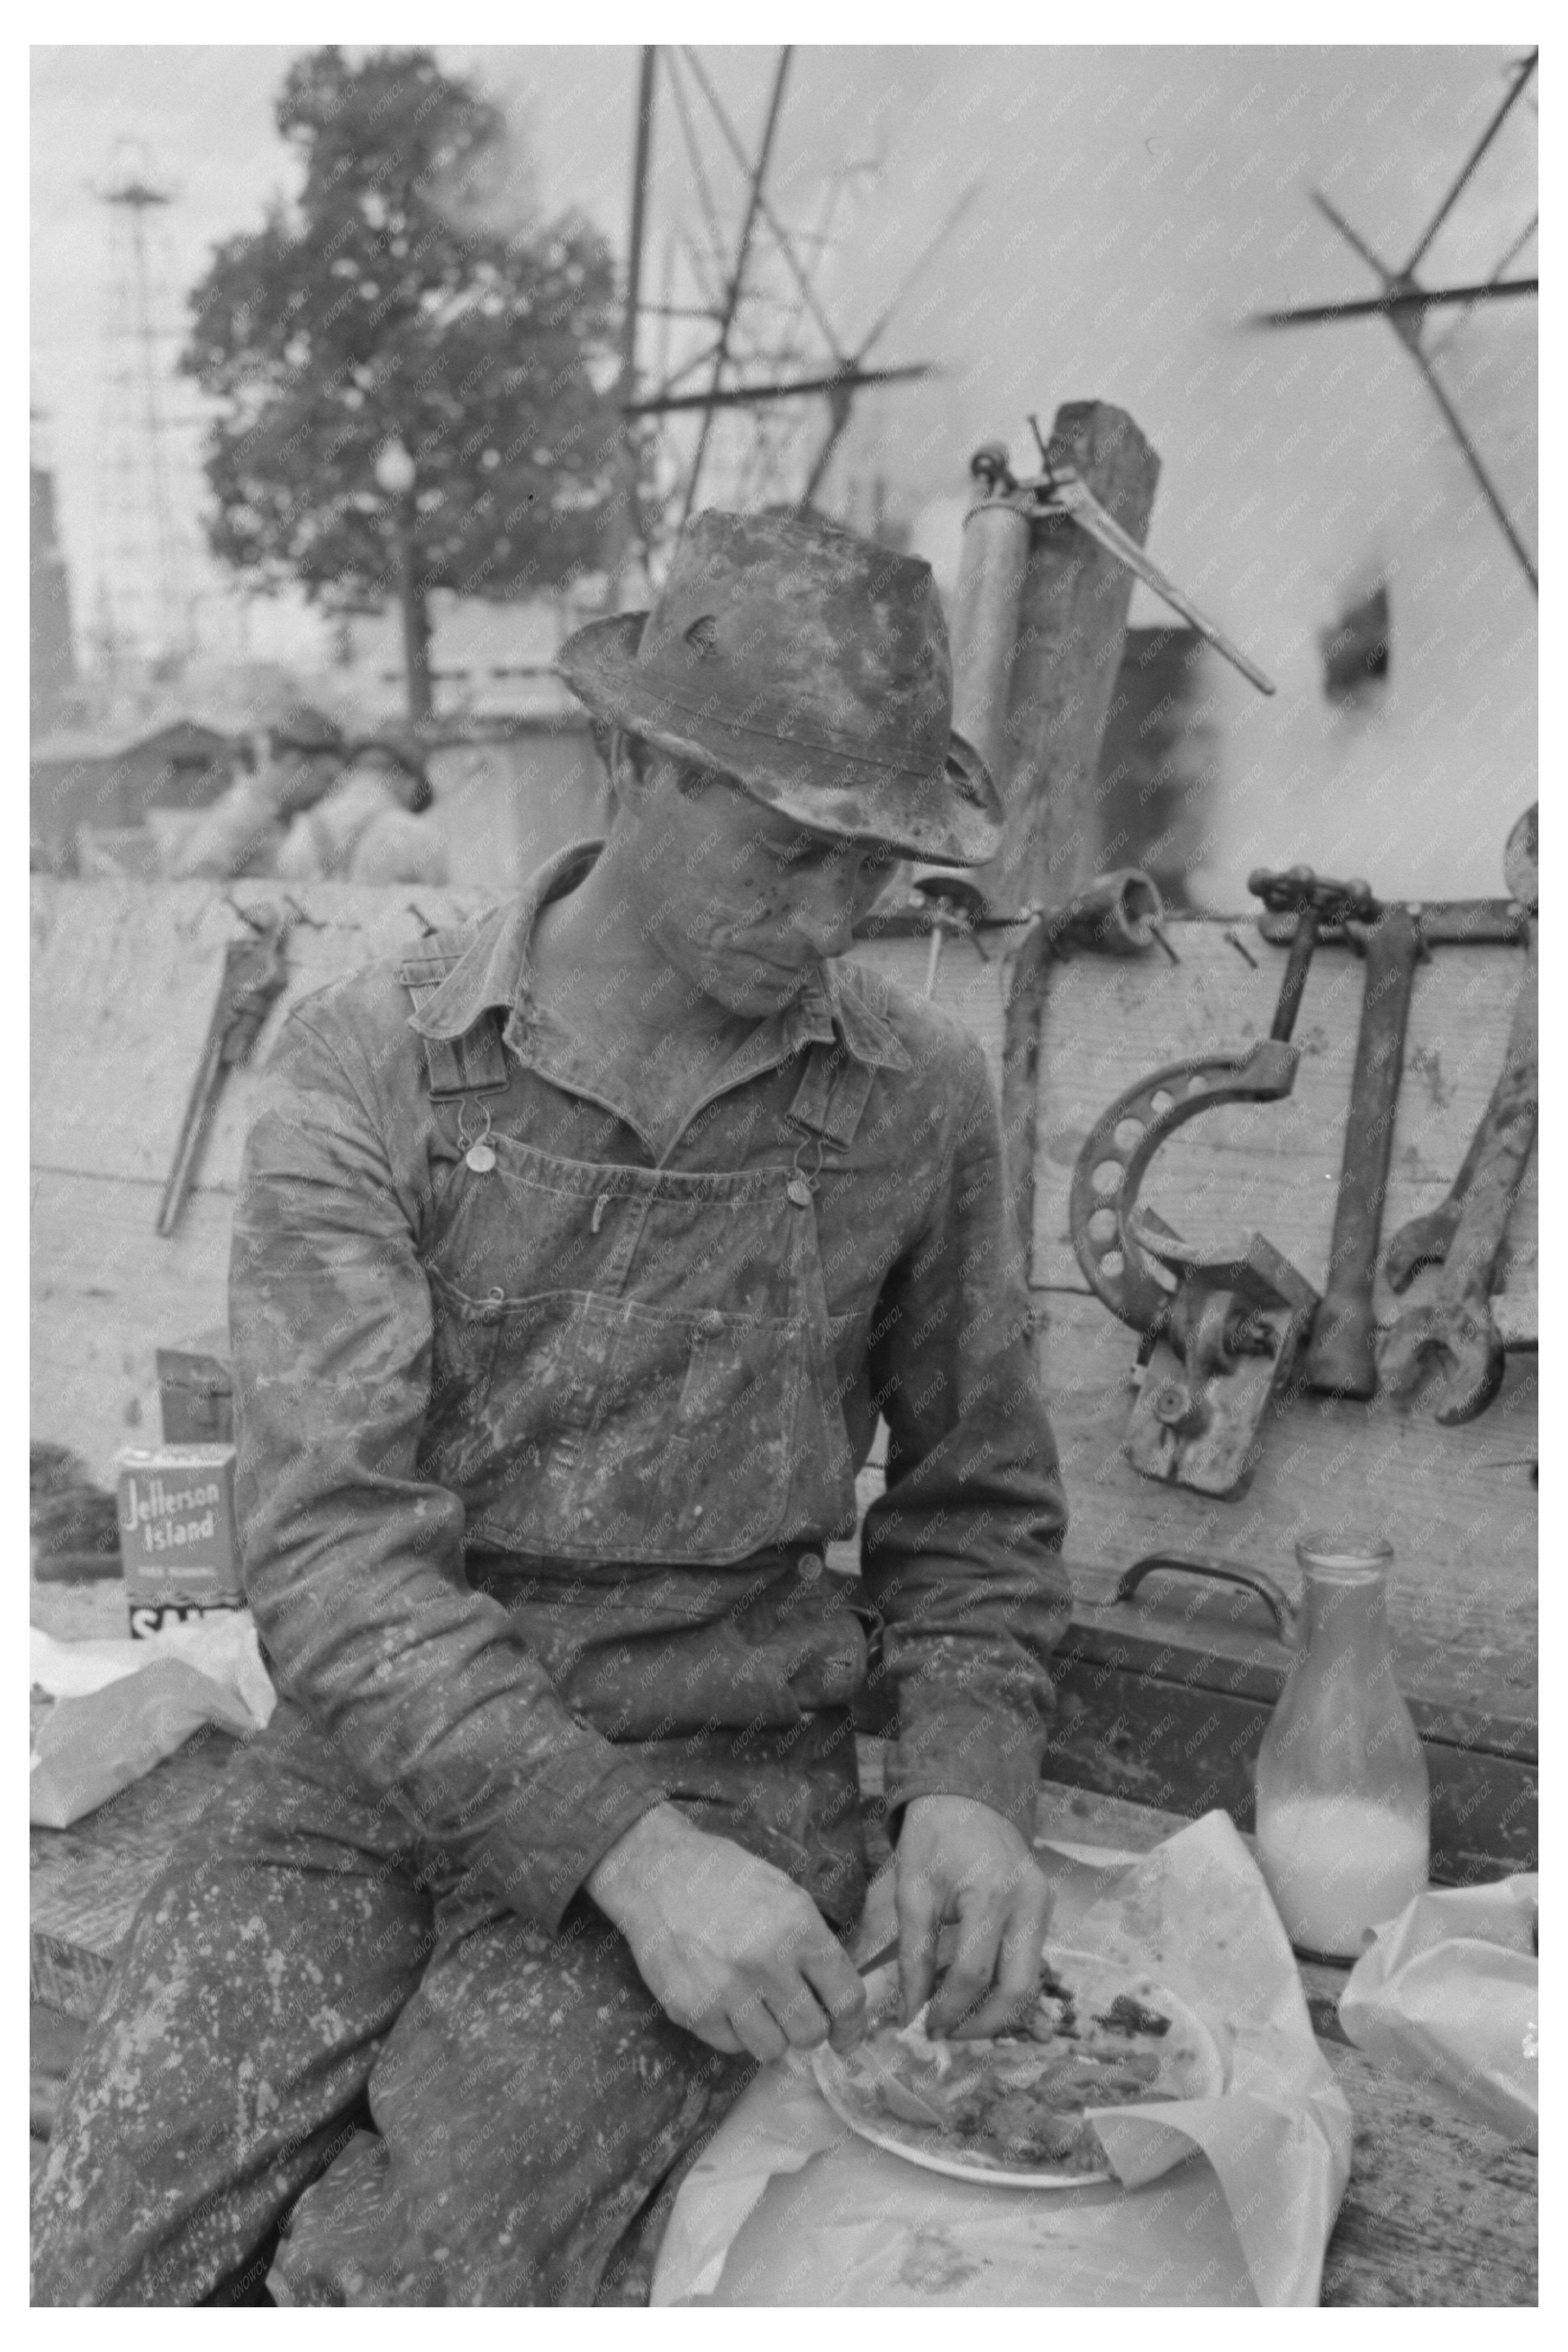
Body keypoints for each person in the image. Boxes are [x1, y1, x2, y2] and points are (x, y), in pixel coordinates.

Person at [33, 508, 1072, 2308]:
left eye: (879, 870)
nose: (835, 916)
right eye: (792, 852)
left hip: (726, 1771)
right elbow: (330, 1559)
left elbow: (973, 1512)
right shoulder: (377, 1061)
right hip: (371, 1770)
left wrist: (968, 1790)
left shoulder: (914, 1095)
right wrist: (628, 1862)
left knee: (401, 2284)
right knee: (91, 2249)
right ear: (633, 767)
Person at [166, 705, 346, 879]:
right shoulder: (242, 813)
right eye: (326, 779)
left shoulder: (277, 817)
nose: (328, 792)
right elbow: (195, 880)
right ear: (294, 762)